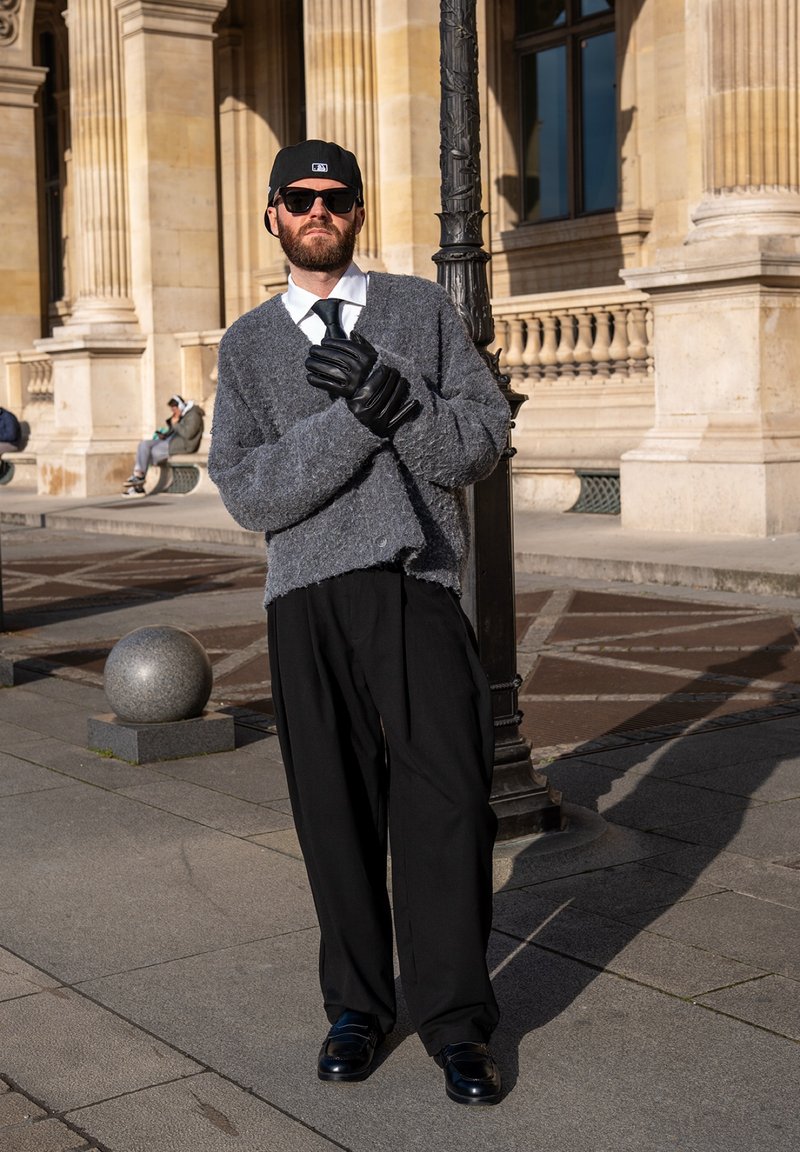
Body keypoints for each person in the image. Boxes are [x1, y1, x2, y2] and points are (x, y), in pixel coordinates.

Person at [208, 140, 510, 1106]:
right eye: (299, 198)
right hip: (305, 596)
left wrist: (398, 395)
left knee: (452, 803)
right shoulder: (247, 345)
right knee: (332, 810)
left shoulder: (420, 312)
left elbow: (479, 442)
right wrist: (354, 419)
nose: (318, 210)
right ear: (273, 216)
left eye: (336, 198)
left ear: (359, 211)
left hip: (415, 582)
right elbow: (251, 495)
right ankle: (358, 1006)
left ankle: (457, 1021)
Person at [123, 395, 204, 496]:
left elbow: (188, 434)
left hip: (184, 445)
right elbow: (175, 431)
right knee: (143, 445)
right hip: (170, 440)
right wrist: (164, 434)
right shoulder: (182, 414)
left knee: (151, 453)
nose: (174, 412)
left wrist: (176, 424)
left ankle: (138, 484)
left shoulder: (193, 415)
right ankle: (138, 477)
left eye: (174, 409)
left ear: (181, 406)